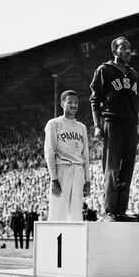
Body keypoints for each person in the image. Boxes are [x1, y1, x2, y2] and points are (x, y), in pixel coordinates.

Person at [89, 36, 139, 222]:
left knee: (127, 169)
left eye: (129, 47)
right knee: (111, 169)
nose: (127, 51)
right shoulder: (104, 70)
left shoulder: (134, 74)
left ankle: (121, 211)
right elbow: (94, 99)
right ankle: (110, 211)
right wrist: (97, 125)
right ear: (114, 51)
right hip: (113, 123)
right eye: (123, 47)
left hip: (131, 125)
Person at [44, 90, 90, 221]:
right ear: (62, 104)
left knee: (76, 213)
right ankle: (54, 240)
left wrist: (88, 180)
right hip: (62, 169)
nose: (73, 105)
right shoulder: (54, 124)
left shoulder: (82, 127)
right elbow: (49, 152)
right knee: (58, 211)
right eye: (70, 102)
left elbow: (85, 155)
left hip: (78, 171)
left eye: (76, 102)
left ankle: (74, 241)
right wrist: (54, 179)